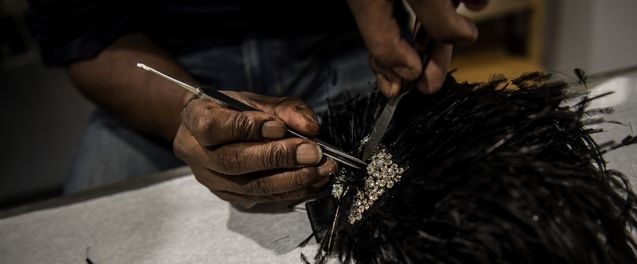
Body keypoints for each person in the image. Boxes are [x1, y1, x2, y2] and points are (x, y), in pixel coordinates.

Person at [27, 0, 487, 208]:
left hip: (341, 40)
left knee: (456, 190)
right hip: (160, 63)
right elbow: (82, 41)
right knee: (87, 238)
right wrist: (185, 109)